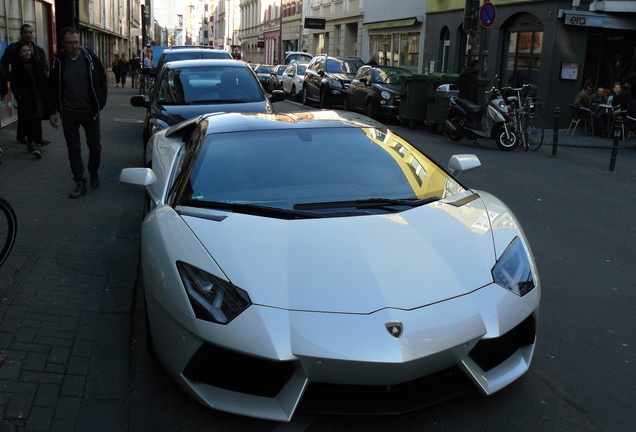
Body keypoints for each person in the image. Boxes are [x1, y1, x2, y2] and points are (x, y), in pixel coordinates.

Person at [47, 27, 108, 198]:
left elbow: (102, 81)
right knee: (73, 148)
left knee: (95, 146)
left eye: (77, 42)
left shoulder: (90, 58)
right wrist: (51, 111)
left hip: (90, 112)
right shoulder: (58, 61)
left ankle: (93, 172)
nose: (74, 46)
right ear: (63, 44)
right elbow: (52, 87)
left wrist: (100, 103)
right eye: (70, 43)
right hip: (69, 112)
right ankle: (80, 181)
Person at [1, 23, 49, 145]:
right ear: (21, 33)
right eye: (26, 32)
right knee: (27, 112)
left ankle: (26, 137)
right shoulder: (14, 48)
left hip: (36, 87)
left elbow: (44, 66)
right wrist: (9, 78)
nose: (28, 34)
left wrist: (44, 80)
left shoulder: (37, 50)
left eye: (30, 32)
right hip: (22, 87)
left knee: (34, 113)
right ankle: (34, 141)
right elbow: (3, 64)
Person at [10, 42, 49, 159]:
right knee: (28, 121)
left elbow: (43, 78)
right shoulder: (17, 67)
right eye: (24, 51)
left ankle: (37, 144)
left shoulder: (35, 64)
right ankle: (31, 142)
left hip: (37, 96)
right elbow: (14, 83)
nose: (27, 52)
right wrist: (19, 95)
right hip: (25, 98)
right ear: (19, 54)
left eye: (28, 50)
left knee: (37, 119)